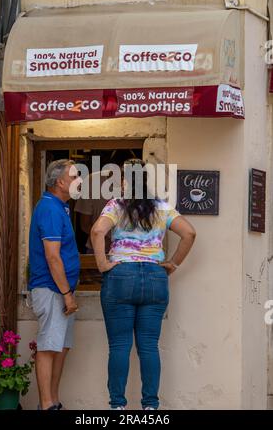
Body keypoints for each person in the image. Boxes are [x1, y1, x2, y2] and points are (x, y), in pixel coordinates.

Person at [91, 159, 196, 410]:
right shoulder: (162, 206)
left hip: (121, 276)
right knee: (149, 346)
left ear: (127, 180)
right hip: (154, 276)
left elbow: (96, 232)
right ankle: (150, 406)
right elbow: (189, 233)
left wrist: (102, 264)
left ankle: (117, 406)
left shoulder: (117, 205)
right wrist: (173, 264)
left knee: (119, 345)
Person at [28, 159, 82, 411]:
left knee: (61, 345)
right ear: (60, 182)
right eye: (74, 177)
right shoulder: (50, 208)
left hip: (60, 289)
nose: (78, 181)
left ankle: (54, 401)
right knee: (49, 346)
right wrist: (66, 294)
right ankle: (47, 405)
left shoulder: (59, 207)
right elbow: (52, 256)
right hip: (52, 289)